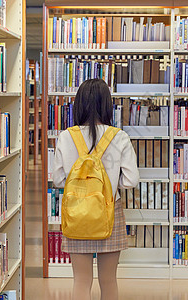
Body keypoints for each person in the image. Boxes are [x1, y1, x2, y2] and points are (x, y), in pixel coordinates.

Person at [53, 78, 139, 300]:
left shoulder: (65, 136)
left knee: (81, 281)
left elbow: (58, 180)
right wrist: (109, 186)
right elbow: (131, 180)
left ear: (78, 104)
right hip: (110, 213)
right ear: (107, 105)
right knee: (109, 280)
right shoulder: (119, 137)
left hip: (77, 214)